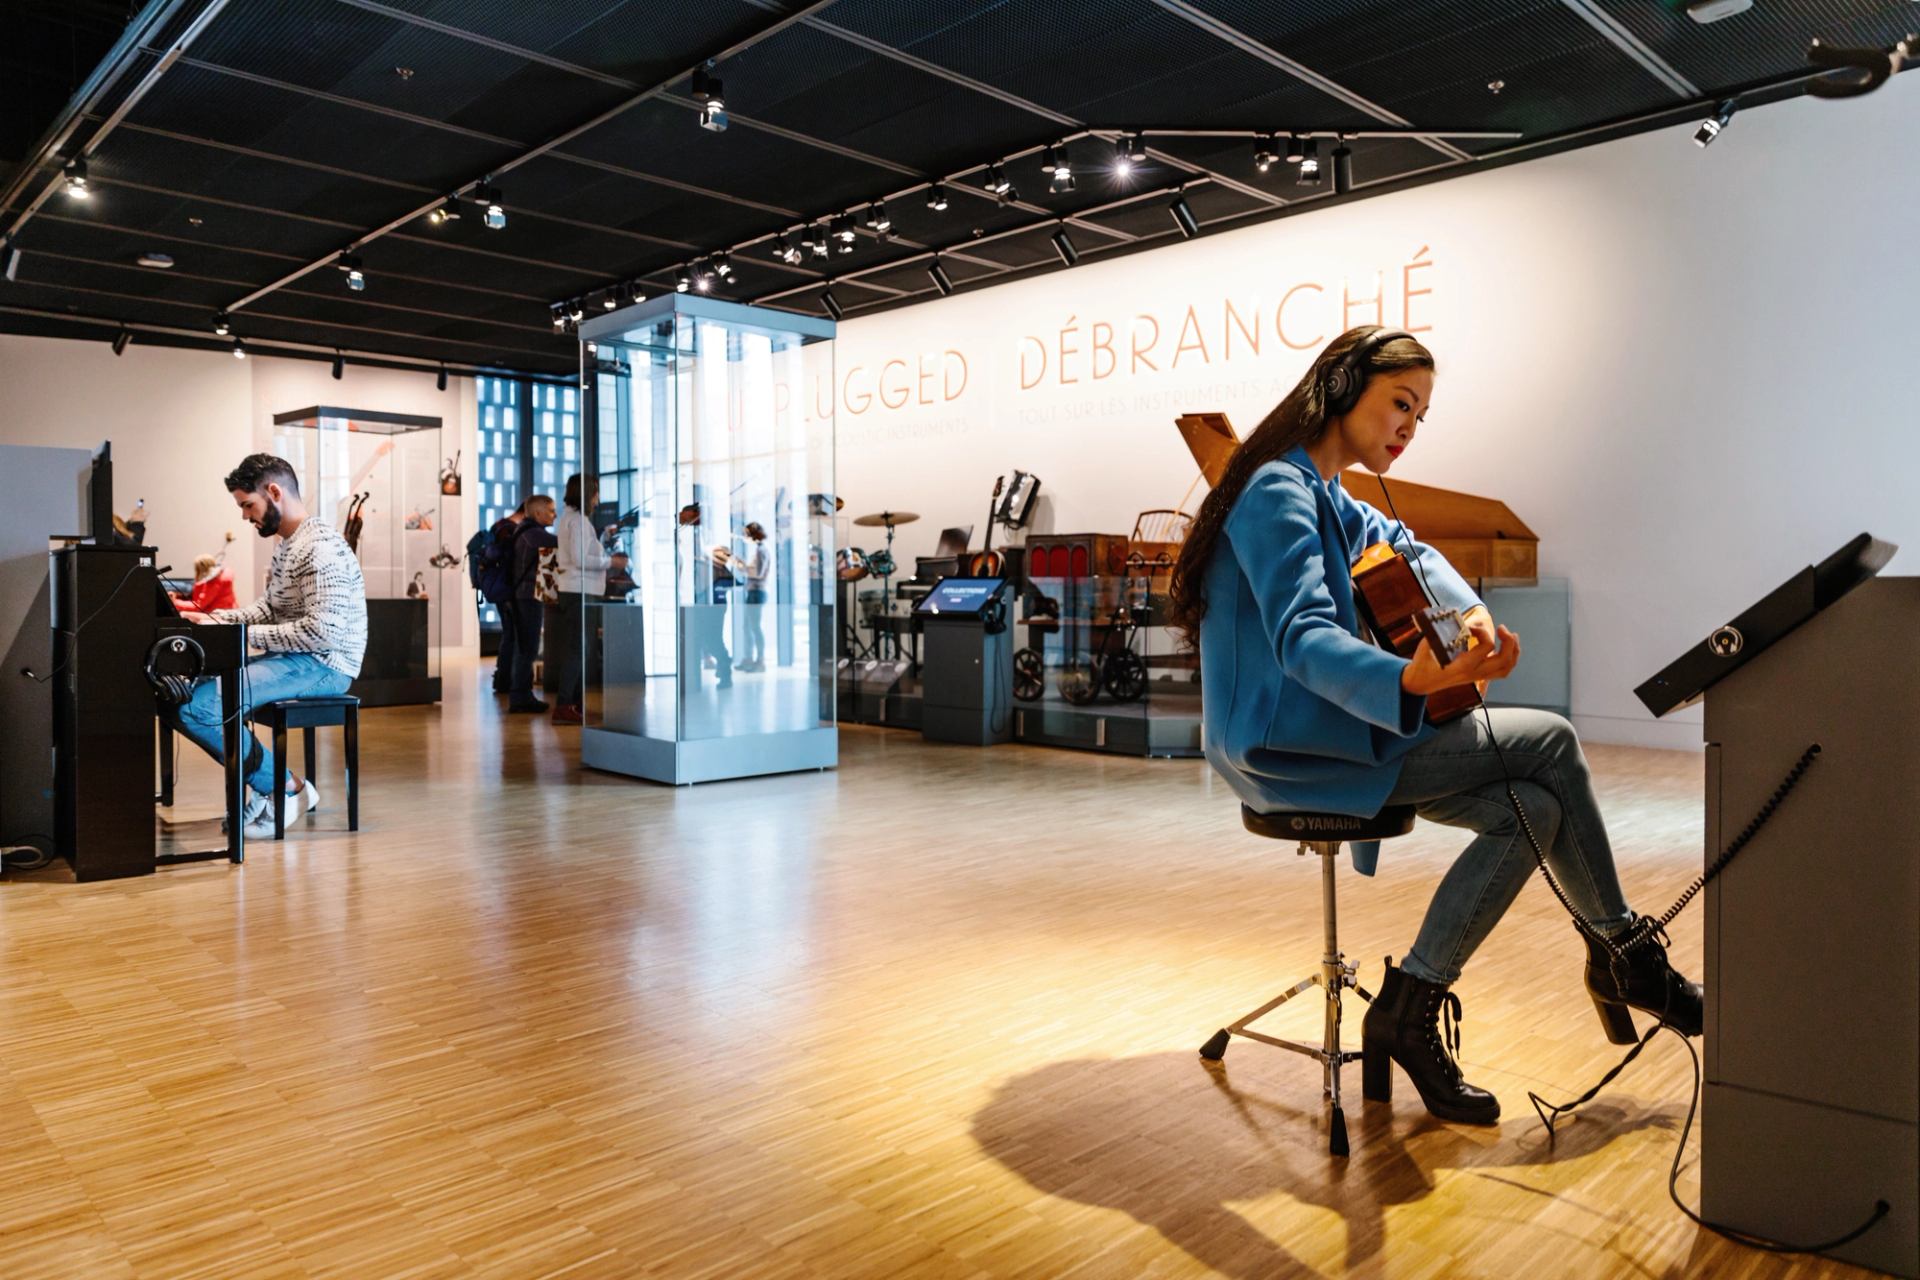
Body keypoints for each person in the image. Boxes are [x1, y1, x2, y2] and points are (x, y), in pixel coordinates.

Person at [1167, 325, 1700, 1128]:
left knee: (1539, 809)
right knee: (1551, 741)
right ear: (1342, 389)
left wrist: (1473, 613)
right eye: (1400, 404)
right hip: (1291, 748)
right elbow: (1304, 640)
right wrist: (1408, 677)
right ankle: (1624, 952)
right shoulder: (1277, 490)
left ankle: (1408, 1008)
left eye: (1421, 413)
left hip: (1333, 733)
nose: (1409, 427)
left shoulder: (1326, 492)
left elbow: (1405, 545)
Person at [166, 453, 367, 839]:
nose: (245, 516)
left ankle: (284, 789)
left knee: (199, 707)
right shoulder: (288, 544)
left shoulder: (320, 549)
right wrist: (215, 619)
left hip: (325, 664)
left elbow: (322, 633)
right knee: (188, 697)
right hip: (294, 658)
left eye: (248, 505)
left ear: (274, 492)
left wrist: (238, 635)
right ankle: (272, 786)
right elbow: (270, 609)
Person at [552, 473, 611, 724]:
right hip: (578, 592)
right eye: (595, 492)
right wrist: (611, 561)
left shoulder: (575, 520)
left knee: (581, 649)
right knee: (578, 650)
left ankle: (573, 704)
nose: (597, 499)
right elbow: (579, 559)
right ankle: (565, 705)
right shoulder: (576, 521)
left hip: (578, 591)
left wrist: (604, 539)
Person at [507, 494, 557, 713]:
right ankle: (520, 697)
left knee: (524, 646)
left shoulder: (524, 531)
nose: (555, 514)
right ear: (538, 513)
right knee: (527, 647)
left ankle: (521, 695)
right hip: (527, 597)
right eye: (551, 510)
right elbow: (563, 543)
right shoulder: (534, 534)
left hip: (521, 595)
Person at [483, 501, 528, 694]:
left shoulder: (500, 525)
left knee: (509, 633)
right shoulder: (509, 530)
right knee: (512, 634)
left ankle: (503, 678)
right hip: (508, 589)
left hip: (501, 588)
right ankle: (506, 680)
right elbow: (512, 562)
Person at [736, 521, 771, 672]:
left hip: (757, 592)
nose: (745, 537)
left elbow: (757, 573)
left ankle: (760, 660)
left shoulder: (762, 550)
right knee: (747, 626)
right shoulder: (759, 550)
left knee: (754, 627)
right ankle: (749, 658)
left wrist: (740, 565)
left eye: (747, 534)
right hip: (753, 591)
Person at [171, 553, 236, 613]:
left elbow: (197, 607)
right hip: (226, 610)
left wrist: (174, 602)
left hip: (216, 614)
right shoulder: (220, 577)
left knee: (183, 615)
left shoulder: (213, 583)